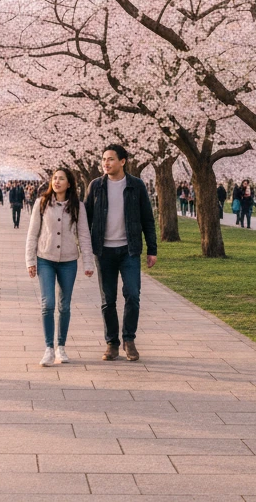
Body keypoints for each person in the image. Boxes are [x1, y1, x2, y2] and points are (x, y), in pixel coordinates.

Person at [84, 144, 157, 362]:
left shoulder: (136, 185)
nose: (106, 163)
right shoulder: (96, 186)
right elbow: (85, 220)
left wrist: (152, 249)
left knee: (132, 294)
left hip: (129, 250)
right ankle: (112, 343)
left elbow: (147, 219)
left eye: (110, 159)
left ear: (122, 161)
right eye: (103, 159)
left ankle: (129, 339)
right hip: (103, 251)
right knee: (108, 299)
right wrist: (86, 252)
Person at [26, 168, 95, 366]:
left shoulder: (78, 207)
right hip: (45, 259)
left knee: (64, 305)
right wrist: (30, 261)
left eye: (61, 179)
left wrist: (88, 262)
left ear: (69, 183)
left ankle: (61, 347)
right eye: (54, 178)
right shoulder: (42, 203)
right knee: (48, 304)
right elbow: (32, 234)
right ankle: (48, 348)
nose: (56, 181)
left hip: (68, 261)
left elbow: (84, 235)